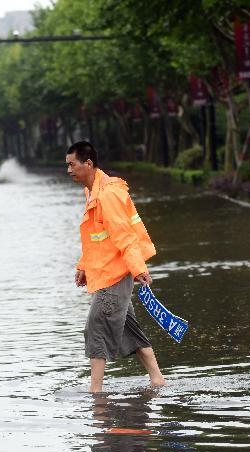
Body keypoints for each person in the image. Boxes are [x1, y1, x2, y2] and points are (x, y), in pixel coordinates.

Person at [67, 141, 166, 393]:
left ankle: (95, 392)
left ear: (88, 164)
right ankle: (157, 379)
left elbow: (125, 236)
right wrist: (83, 266)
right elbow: (95, 237)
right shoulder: (93, 191)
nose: (68, 170)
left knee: (96, 326)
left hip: (116, 273)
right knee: (128, 329)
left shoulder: (108, 194)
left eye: (72, 164)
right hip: (106, 271)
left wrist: (139, 269)